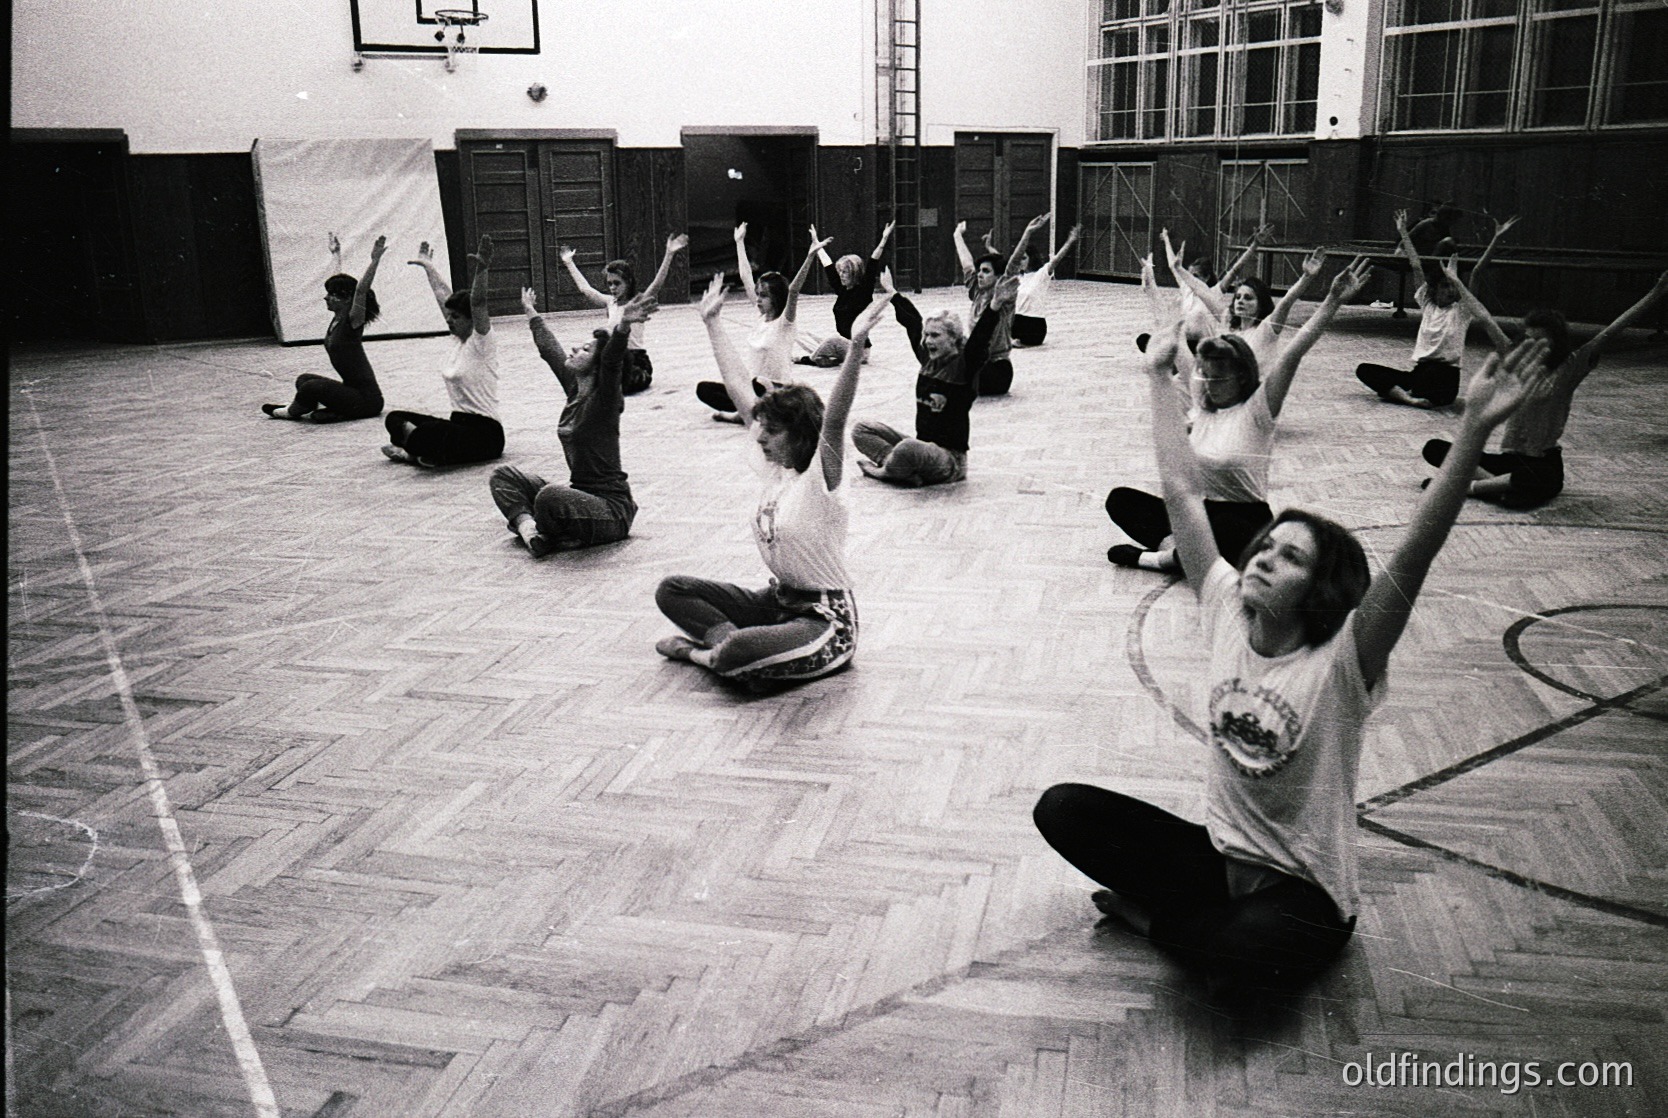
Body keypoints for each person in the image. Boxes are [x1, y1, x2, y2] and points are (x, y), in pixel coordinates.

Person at [1037, 322, 1555, 998]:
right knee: (1062, 809)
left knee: (1243, 961)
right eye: (1266, 546)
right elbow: (1181, 492)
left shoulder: (1345, 659)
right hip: (1219, 858)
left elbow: (1416, 552)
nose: (1262, 559)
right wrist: (1157, 381)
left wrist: (1474, 434)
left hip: (1304, 894)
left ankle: (1155, 921)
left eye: (1290, 558)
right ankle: (1191, 920)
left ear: (1320, 589)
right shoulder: (1226, 606)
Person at [654, 274, 893, 690]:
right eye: (761, 429)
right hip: (778, 600)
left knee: (736, 654)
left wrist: (855, 346)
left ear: (800, 434)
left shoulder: (823, 477)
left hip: (825, 618)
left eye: (772, 431)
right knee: (672, 590)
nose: (759, 438)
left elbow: (835, 417)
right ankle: (739, 649)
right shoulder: (775, 468)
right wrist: (713, 324)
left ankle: (711, 652)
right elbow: (738, 390)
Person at [1107, 257, 1373, 572]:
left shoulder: (1258, 410)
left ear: (1242, 377)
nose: (1209, 383)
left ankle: (1162, 558)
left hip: (1245, 519)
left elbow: (1293, 353)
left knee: (1231, 534)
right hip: (1202, 511)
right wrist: (1150, 286)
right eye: (1207, 375)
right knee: (1120, 500)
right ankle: (1186, 553)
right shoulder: (1203, 400)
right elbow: (1172, 338)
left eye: (1220, 377)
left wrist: (1332, 301)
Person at [1419, 267, 1668, 509]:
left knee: (1534, 480)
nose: (1533, 345)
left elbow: (1613, 330)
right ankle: (1497, 488)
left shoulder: (1570, 367)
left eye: (1541, 341)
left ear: (1556, 342)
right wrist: (1456, 280)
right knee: (1435, 449)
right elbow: (1484, 317)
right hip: (1510, 461)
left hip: (1542, 462)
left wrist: (1656, 293)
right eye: (1529, 339)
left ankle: (1469, 487)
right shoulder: (1515, 357)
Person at [488, 287, 656, 557]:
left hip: (612, 511)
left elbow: (612, 363)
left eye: (586, 349)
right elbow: (549, 349)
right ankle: (531, 531)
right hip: (580, 497)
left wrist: (624, 325)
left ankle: (544, 531)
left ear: (597, 364)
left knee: (550, 497)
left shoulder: (605, 403)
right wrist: (530, 311)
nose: (575, 348)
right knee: (504, 476)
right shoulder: (575, 388)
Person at [851, 268, 1014, 487]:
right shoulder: (928, 358)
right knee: (861, 429)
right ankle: (898, 467)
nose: (927, 340)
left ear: (954, 338)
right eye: (927, 335)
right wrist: (891, 292)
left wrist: (994, 306)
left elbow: (979, 339)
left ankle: (887, 471)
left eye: (935, 335)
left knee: (907, 448)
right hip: (923, 447)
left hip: (949, 460)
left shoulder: (964, 366)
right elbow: (912, 322)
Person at [1354, 212, 1517, 408]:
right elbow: (1416, 265)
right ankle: (1408, 397)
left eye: (1453, 286)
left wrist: (1497, 238)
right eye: (1445, 286)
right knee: (1364, 370)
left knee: (1429, 381)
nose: (1450, 290)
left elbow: (1477, 271)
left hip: (1445, 379)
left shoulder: (1462, 310)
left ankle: (1402, 393)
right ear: (1435, 290)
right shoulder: (1428, 305)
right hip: (1419, 373)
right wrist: (1403, 232)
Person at [382, 236, 503, 468]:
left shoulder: (482, 343)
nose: (449, 321)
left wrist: (482, 268)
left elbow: (478, 302)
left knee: (429, 432)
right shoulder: (457, 340)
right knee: (395, 418)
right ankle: (423, 450)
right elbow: (443, 296)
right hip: (457, 426)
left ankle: (414, 450)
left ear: (471, 320)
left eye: (455, 317)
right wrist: (429, 267)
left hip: (486, 435)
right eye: (448, 317)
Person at [696, 224, 827, 421]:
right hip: (753, 387)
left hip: (776, 389)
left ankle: (745, 413)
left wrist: (809, 257)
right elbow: (746, 276)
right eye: (757, 295)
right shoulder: (759, 317)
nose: (758, 300)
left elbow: (793, 291)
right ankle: (750, 411)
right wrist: (739, 242)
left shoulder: (785, 323)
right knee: (704, 389)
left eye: (763, 296)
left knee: (756, 390)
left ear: (775, 297)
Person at [262, 233, 386, 423]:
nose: (326, 298)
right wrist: (336, 254)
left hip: (368, 401)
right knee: (304, 379)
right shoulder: (338, 317)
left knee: (310, 388)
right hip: (352, 393)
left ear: (346, 299)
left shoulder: (352, 321)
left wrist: (375, 260)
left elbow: (360, 291)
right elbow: (340, 280)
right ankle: (329, 412)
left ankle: (289, 412)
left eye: (332, 295)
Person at [556, 233, 688, 395]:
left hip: (635, 360)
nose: (612, 288)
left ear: (628, 282)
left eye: (617, 283)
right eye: (610, 284)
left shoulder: (637, 302)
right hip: (613, 357)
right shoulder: (609, 302)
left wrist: (669, 254)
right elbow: (586, 289)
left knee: (621, 383)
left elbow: (656, 284)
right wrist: (568, 262)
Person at [953, 214, 1044, 396]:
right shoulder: (978, 291)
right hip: (979, 363)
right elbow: (967, 263)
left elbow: (1012, 265)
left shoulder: (1003, 296)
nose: (979, 274)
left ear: (997, 277)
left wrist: (1027, 233)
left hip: (997, 370)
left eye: (986, 271)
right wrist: (957, 235)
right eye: (980, 271)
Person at [796, 220, 895, 367]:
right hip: (843, 345)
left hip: (858, 350)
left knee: (832, 340)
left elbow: (873, 261)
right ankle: (825, 358)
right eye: (840, 271)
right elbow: (827, 265)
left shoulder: (864, 290)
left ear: (854, 273)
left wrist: (884, 239)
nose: (841, 275)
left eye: (845, 272)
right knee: (801, 334)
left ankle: (810, 360)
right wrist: (817, 244)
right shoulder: (841, 289)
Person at [985, 220, 1080, 347]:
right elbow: (1003, 261)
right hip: (1016, 321)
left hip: (1034, 324)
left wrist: (1070, 241)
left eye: (1023, 258)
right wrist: (988, 247)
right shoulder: (1017, 277)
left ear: (1031, 258)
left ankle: (1013, 340)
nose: (1020, 262)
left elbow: (1056, 260)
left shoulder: (1041, 274)